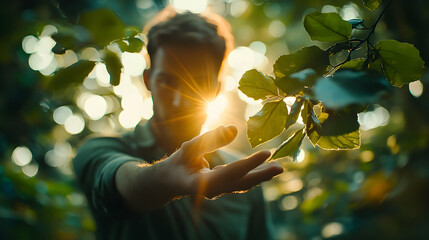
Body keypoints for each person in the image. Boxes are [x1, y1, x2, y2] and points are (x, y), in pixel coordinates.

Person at [73, 7, 283, 240]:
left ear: (217, 88)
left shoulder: (242, 180)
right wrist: (164, 179)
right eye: (168, 81)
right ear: (147, 80)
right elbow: (118, 183)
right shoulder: (98, 151)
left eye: (197, 83)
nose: (178, 100)